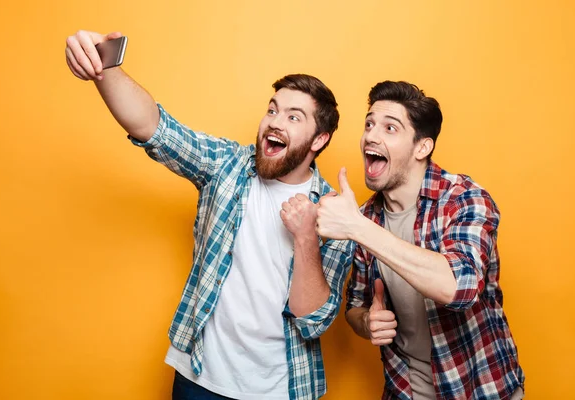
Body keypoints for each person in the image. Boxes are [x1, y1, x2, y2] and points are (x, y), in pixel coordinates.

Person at [65, 30, 354, 400]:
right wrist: (103, 67)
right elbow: (153, 128)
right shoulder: (226, 165)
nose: (274, 122)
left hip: (281, 388)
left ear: (319, 140)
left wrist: (305, 237)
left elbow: (313, 320)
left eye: (294, 117)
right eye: (272, 109)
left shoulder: (335, 212)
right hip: (199, 377)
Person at [316, 81, 525, 400]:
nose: (371, 135)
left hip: (480, 389)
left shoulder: (465, 200)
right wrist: (368, 323)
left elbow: (458, 287)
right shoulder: (365, 218)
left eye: (390, 128)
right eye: (369, 124)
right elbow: (355, 306)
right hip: (404, 389)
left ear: (421, 147)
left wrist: (356, 228)